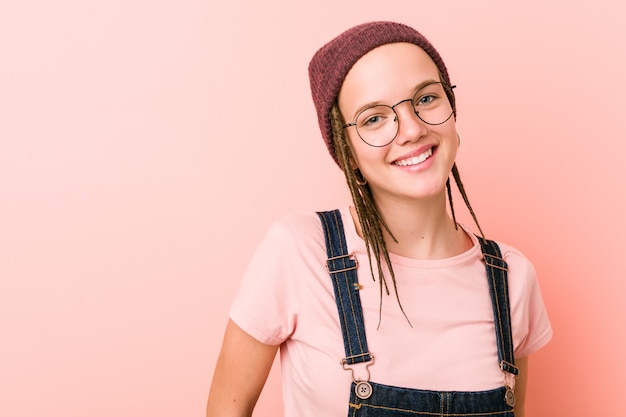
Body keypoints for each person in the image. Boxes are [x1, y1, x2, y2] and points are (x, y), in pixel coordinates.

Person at [206, 21, 552, 417]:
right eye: (374, 118)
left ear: (452, 109)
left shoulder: (511, 277)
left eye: (425, 99)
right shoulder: (300, 251)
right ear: (347, 150)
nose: (411, 129)